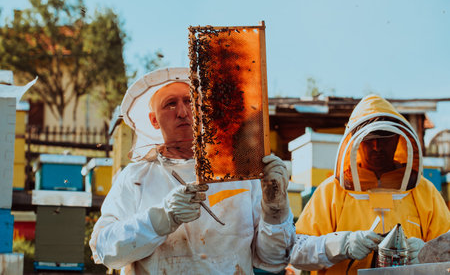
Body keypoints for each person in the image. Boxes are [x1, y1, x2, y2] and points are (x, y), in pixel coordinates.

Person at [89, 67, 295, 274]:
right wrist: (162, 218)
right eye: (170, 104)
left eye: (189, 101)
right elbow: (104, 249)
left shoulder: (239, 174)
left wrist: (275, 208)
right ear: (153, 120)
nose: (182, 112)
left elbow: (273, 259)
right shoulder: (135, 177)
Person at [289, 94, 450, 274]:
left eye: (384, 139)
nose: (377, 147)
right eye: (369, 139)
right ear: (356, 142)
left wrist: (428, 252)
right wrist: (341, 245)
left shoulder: (424, 191)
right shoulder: (331, 191)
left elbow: (447, 247)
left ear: (398, 140)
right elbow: (295, 251)